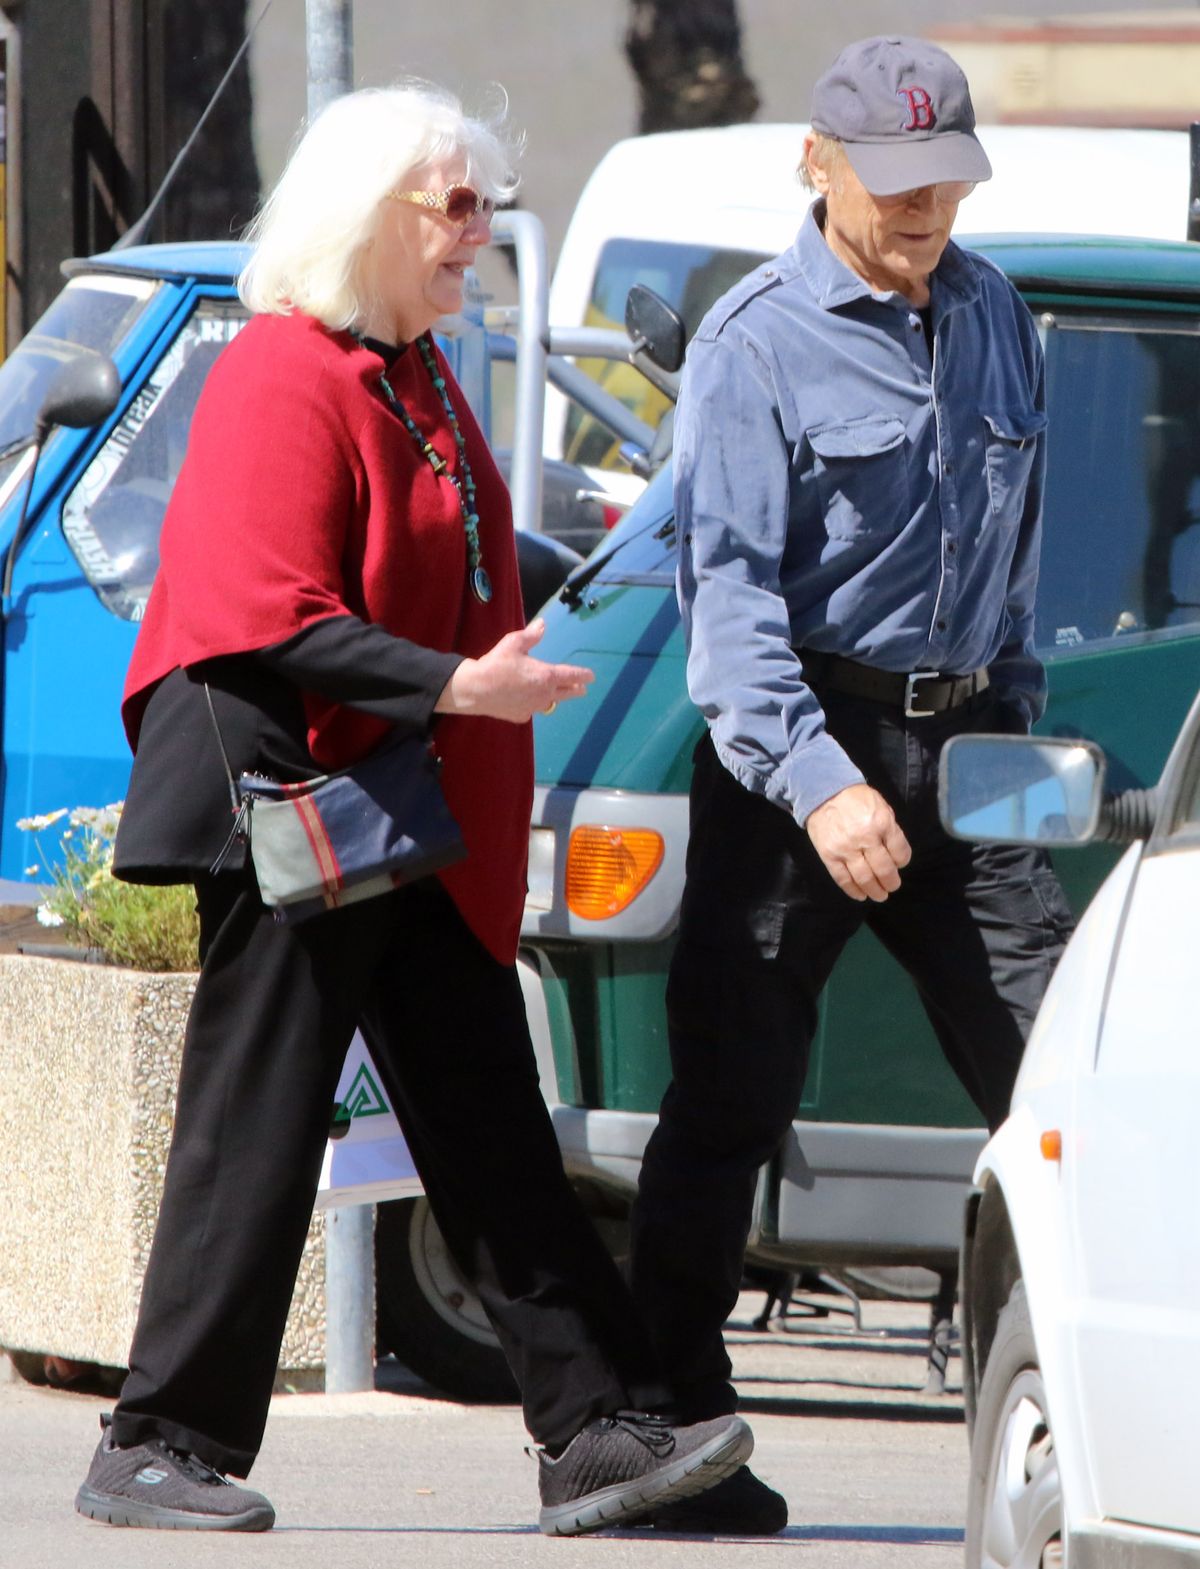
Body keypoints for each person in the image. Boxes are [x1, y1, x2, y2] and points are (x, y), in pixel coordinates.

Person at [73, 83, 752, 1537]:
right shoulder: (284, 369)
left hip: (395, 805)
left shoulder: (415, 370)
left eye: (483, 204)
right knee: (251, 1127)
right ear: (361, 216)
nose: (480, 232)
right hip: (301, 801)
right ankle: (155, 1438)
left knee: (496, 1130)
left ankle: (601, 1435)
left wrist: (473, 681)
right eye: (454, 204)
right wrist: (459, 687)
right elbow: (267, 619)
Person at [627, 36, 1076, 1536]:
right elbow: (731, 610)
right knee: (729, 1097)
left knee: (1059, 1081)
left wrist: (1012, 740)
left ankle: (1114, 1406)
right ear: (815, 167)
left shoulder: (1000, 315)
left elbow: (1012, 574)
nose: (924, 207)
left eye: (947, 179)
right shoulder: (752, 342)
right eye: (894, 181)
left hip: (966, 759)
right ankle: (667, 1430)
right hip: (791, 759)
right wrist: (823, 786)